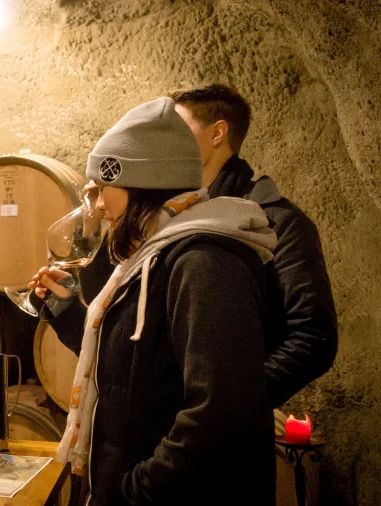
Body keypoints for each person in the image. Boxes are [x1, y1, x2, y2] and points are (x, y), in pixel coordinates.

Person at [35, 84, 337, 408]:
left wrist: (228, 407)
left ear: (217, 133)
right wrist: (66, 311)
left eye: (179, 126)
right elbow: (128, 354)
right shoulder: (157, 224)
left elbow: (312, 338)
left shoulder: (273, 221)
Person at [48, 97, 277, 505]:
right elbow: (133, 368)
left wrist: (137, 487)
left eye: (104, 189)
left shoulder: (205, 264)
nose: (98, 207)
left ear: (141, 185)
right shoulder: (152, 259)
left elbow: (219, 413)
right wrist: (67, 312)